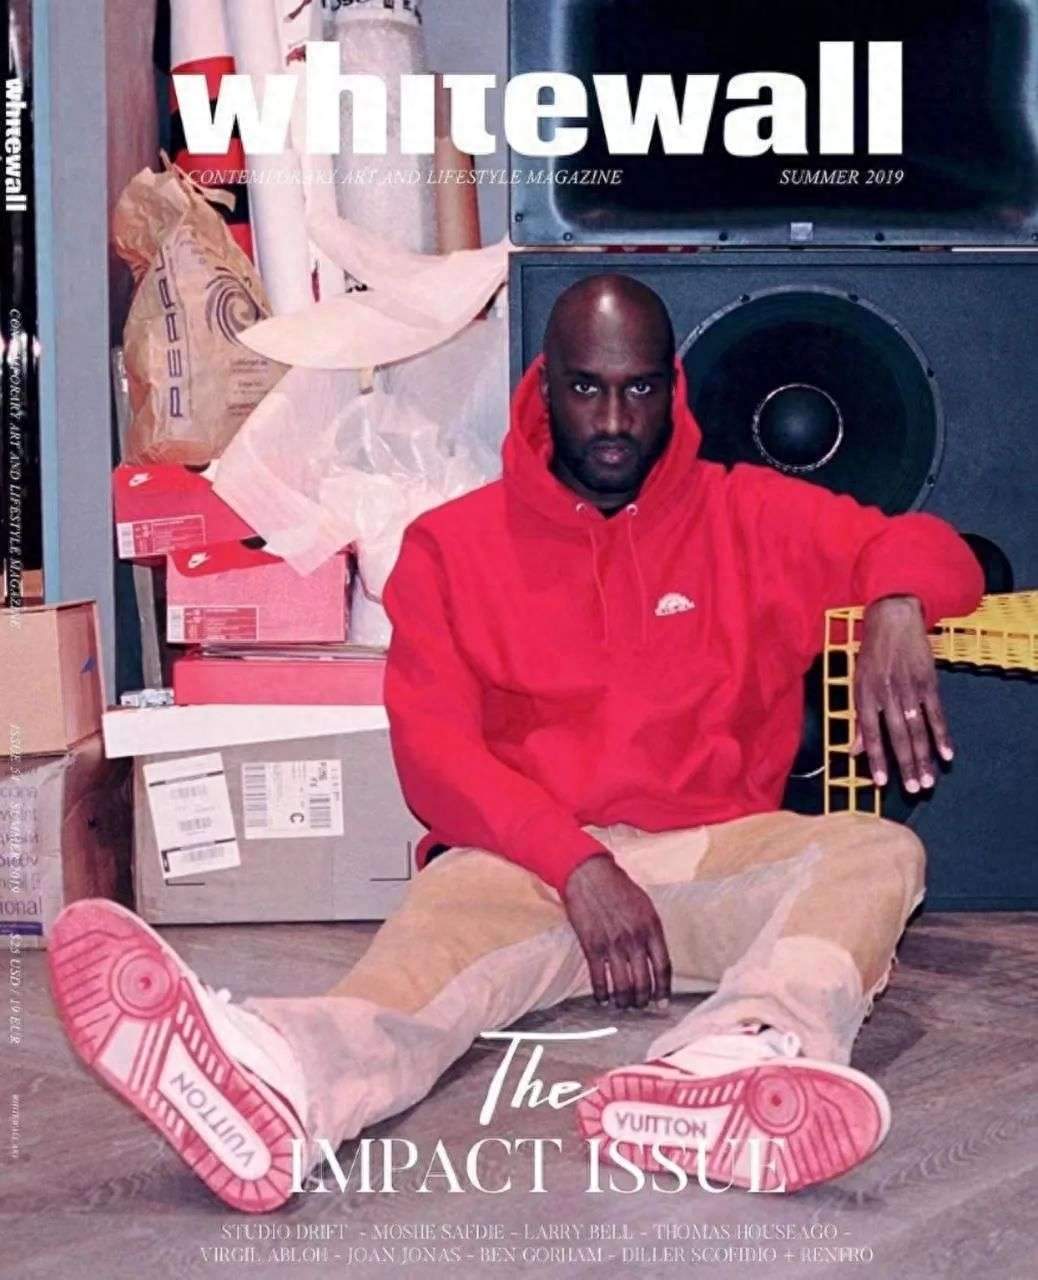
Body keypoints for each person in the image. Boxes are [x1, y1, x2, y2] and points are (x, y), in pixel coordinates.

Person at [49, 276, 983, 1211]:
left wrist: (897, 601)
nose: (613, 420)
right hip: (527, 871)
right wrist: (576, 864)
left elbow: (941, 548)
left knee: (878, 852)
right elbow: (434, 757)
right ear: (543, 387)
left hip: (709, 864)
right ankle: (281, 1081)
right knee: (413, 971)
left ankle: (740, 1061)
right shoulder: (453, 548)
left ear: (673, 387)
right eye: (586, 388)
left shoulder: (748, 516)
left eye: (639, 388)